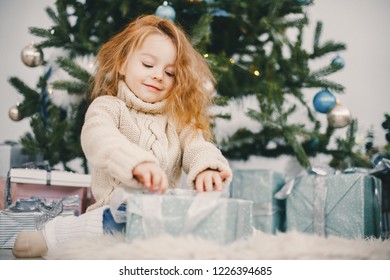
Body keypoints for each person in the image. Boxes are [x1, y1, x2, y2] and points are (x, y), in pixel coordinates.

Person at [12, 14, 232, 258]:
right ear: (123, 64)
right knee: (110, 220)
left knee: (201, 227)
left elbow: (198, 145)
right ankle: (53, 234)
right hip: (115, 209)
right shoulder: (107, 107)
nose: (159, 75)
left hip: (162, 215)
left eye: (170, 73)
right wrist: (136, 164)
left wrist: (207, 169)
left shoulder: (177, 119)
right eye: (148, 65)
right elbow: (100, 138)